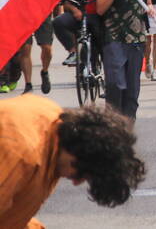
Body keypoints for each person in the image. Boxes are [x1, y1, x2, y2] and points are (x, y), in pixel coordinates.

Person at [0, 95, 145, 229]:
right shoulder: (22, 154)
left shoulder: (51, 120)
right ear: (80, 152)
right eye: (82, 174)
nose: (76, 182)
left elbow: (13, 215)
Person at [95, 0, 153, 120]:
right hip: (114, 38)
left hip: (137, 40)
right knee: (115, 86)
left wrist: (149, 8)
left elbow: (147, 0)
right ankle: (112, 130)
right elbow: (100, 8)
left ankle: (127, 133)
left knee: (132, 92)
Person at [19, 13, 55, 95]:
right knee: (25, 49)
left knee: (47, 48)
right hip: (22, 15)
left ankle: (44, 71)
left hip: (42, 13)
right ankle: (28, 85)